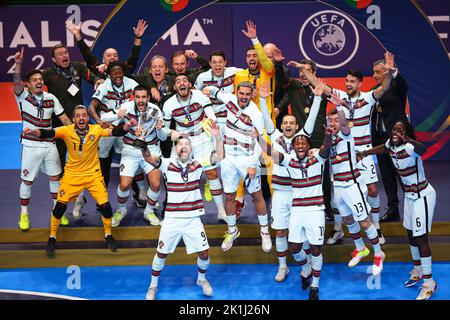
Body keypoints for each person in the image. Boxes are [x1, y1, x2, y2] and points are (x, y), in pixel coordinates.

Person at [289, 54, 395, 245]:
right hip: (341, 153)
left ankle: (376, 228)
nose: (348, 84)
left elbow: (384, 88)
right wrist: (303, 69)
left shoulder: (368, 98)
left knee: (372, 190)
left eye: (352, 82)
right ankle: (338, 230)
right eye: (346, 81)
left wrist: (389, 72)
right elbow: (317, 84)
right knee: (337, 197)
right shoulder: (339, 96)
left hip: (364, 153)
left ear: (360, 84)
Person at [23, 105, 136, 255]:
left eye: (84, 115)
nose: (81, 118)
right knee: (59, 209)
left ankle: (108, 235)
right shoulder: (66, 130)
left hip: (93, 175)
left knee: (106, 207)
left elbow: (113, 131)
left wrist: (126, 126)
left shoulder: (95, 130)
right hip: (72, 176)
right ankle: (52, 237)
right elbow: (48, 133)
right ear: (74, 119)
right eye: (78, 116)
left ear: (87, 118)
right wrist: (34, 132)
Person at [259, 89, 333, 300]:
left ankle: (311, 271)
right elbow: (266, 120)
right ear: (281, 125)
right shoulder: (275, 137)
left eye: (292, 122)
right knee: (283, 234)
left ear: (297, 126)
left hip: (301, 194)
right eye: (286, 122)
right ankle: (284, 267)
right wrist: (264, 100)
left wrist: (318, 98)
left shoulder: (303, 140)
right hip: (282, 193)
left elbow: (311, 118)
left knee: (309, 239)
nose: (289, 125)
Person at [140, 124, 224, 300]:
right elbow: (149, 158)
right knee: (161, 254)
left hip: (193, 219)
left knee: (204, 253)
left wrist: (216, 137)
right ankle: (152, 286)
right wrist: (142, 142)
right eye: (180, 144)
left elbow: (220, 156)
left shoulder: (199, 163)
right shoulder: (167, 163)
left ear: (191, 150)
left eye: (186, 144)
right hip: (171, 219)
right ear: (175, 148)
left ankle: (201, 280)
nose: (183, 146)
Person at [358, 121, 437, 300]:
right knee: (410, 233)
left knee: (421, 238)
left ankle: (429, 282)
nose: (396, 133)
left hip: (422, 196)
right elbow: (381, 149)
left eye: (401, 131)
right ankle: (417, 270)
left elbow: (423, 150)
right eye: (394, 129)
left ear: (405, 134)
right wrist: (364, 153)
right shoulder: (390, 146)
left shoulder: (410, 147)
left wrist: (407, 139)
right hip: (409, 198)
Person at [100, 85, 183, 227]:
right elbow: (103, 117)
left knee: (156, 184)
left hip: (151, 149)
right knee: (124, 185)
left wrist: (160, 129)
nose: (141, 100)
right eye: (137, 97)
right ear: (133, 97)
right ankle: (121, 211)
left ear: (148, 98)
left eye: (144, 97)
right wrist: (117, 115)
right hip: (130, 149)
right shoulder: (125, 107)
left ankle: (149, 211)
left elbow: (162, 138)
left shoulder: (155, 111)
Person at [202, 82, 271, 253]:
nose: (244, 97)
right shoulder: (229, 98)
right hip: (228, 158)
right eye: (241, 93)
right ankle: (232, 231)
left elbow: (259, 142)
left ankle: (265, 232)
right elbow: (214, 91)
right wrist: (204, 90)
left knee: (256, 196)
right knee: (230, 196)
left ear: (251, 95)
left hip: (248, 158)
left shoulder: (256, 114)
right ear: (236, 92)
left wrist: (253, 164)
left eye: (248, 94)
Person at [13, 48, 72, 231]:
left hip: (49, 145)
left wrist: (74, 133)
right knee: (27, 182)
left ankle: (57, 213)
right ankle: (24, 214)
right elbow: (16, 81)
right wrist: (18, 64)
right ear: (28, 85)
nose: (39, 82)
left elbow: (63, 119)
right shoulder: (22, 96)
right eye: (34, 80)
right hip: (30, 146)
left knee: (55, 178)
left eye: (40, 79)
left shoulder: (51, 98)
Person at [77, 62, 144, 218]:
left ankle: (140, 193)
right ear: (109, 74)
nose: (118, 76)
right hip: (107, 127)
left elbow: (142, 99)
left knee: (132, 158)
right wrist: (100, 122)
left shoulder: (132, 84)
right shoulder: (104, 86)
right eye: (114, 73)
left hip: (126, 127)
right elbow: (91, 108)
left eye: (120, 73)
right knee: (103, 165)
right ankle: (102, 199)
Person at [325, 101, 385, 276]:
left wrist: (340, 108)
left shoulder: (346, 134)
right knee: (348, 220)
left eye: (336, 120)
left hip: (352, 185)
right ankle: (361, 248)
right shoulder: (330, 137)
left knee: (364, 222)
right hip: (338, 186)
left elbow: (344, 124)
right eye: (331, 120)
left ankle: (379, 254)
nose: (334, 123)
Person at [273, 52, 332, 220]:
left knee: (322, 174)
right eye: (301, 71)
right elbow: (281, 80)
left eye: (307, 71)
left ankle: (326, 205)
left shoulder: (321, 87)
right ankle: (298, 203)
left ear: (313, 73)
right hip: (299, 140)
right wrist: (278, 64)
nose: (302, 74)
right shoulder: (293, 87)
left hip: (319, 137)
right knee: (296, 172)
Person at [163, 74, 227, 223]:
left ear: (190, 84)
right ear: (174, 87)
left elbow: (211, 115)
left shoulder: (199, 96)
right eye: (178, 81)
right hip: (182, 140)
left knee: (211, 173)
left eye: (184, 80)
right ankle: (173, 210)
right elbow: (163, 131)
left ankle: (221, 212)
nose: (181, 83)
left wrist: (213, 121)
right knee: (172, 176)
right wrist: (171, 132)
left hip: (201, 137)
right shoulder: (169, 104)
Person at [233, 20, 275, 212]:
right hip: (245, 128)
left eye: (254, 55)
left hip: (266, 127)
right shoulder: (240, 76)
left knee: (270, 165)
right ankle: (239, 200)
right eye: (248, 55)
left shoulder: (268, 72)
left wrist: (255, 40)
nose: (252, 58)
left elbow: (267, 61)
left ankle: (276, 202)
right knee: (242, 163)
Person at [42, 43, 101, 174]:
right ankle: (63, 188)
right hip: (59, 122)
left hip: (79, 121)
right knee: (60, 158)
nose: (64, 56)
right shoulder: (48, 74)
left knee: (84, 154)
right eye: (60, 54)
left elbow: (91, 77)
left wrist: (97, 80)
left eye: (65, 53)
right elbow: (35, 85)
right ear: (53, 59)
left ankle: (82, 187)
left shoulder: (78, 67)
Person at [371, 54, 412, 222]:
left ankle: (413, 206)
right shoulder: (375, 91)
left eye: (377, 72)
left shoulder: (397, 87)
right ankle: (393, 209)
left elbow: (403, 84)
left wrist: (394, 72)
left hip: (398, 140)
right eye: (373, 72)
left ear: (386, 72)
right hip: (380, 140)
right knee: (387, 176)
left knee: (404, 175)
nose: (374, 75)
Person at [65, 19, 148, 78]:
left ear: (118, 59)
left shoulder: (125, 71)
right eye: (109, 55)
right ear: (103, 60)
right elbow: (86, 53)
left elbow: (134, 55)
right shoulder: (98, 70)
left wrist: (138, 37)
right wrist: (77, 35)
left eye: (115, 55)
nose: (112, 57)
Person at [195, 50, 242, 136]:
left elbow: (249, 74)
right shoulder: (202, 77)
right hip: (212, 119)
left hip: (230, 118)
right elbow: (195, 94)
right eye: (214, 62)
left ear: (225, 63)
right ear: (210, 64)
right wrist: (202, 93)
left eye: (220, 62)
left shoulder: (233, 72)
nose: (217, 65)